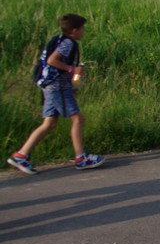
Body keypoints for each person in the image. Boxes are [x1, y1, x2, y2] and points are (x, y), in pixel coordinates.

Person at [7, 14, 104, 175]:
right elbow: (52, 61)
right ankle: (81, 158)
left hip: (50, 86)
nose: (84, 32)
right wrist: (72, 70)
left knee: (49, 123)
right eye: (82, 29)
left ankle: (21, 156)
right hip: (58, 87)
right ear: (75, 30)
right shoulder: (68, 43)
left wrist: (73, 79)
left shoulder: (58, 39)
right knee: (78, 118)